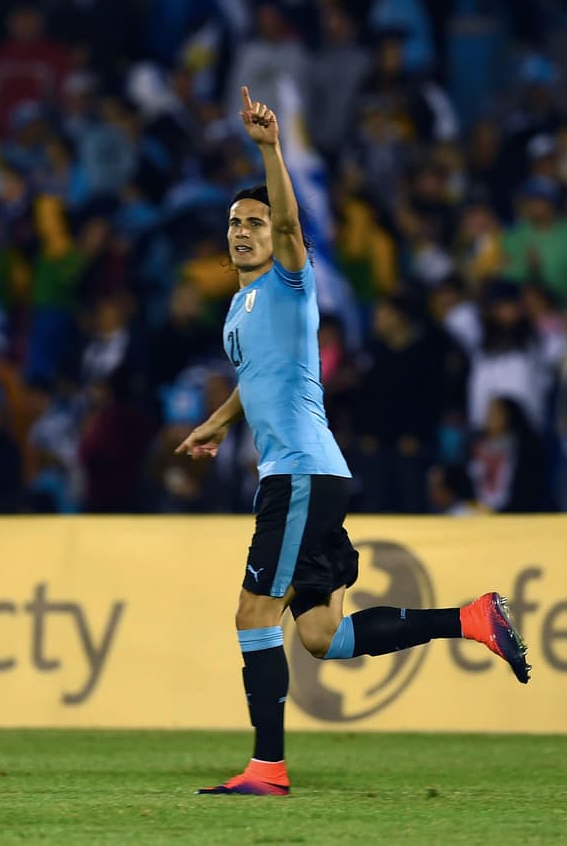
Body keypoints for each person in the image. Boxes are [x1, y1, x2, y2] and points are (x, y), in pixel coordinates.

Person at [175, 87, 530, 798]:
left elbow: (290, 227)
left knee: (252, 613)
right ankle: (471, 618)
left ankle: (267, 768)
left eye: (256, 221)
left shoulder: (289, 282)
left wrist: (270, 149)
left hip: (300, 473)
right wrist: (217, 422)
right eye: (235, 223)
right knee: (318, 636)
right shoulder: (237, 311)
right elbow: (259, 376)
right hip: (307, 473)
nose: (243, 231)